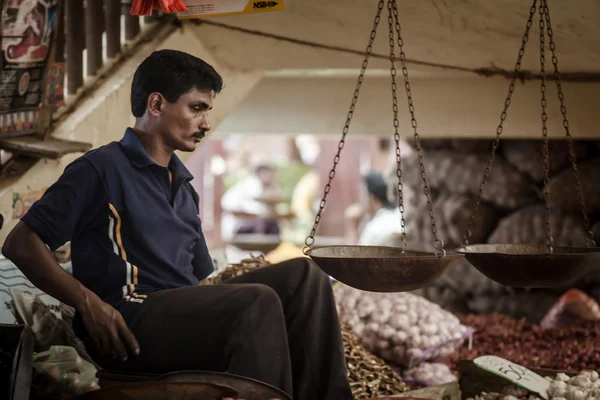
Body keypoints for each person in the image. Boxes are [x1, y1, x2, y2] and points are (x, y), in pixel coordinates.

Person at [2, 49, 352, 400]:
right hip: (127, 320)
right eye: (196, 108)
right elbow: (21, 242)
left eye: (207, 111)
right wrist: (89, 303)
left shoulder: (183, 186)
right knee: (255, 302)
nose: (206, 123)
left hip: (177, 315)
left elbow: (200, 280)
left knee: (307, 278)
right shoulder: (100, 169)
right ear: (156, 105)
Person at [221, 163, 282, 242]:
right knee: (264, 223)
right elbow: (255, 211)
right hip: (239, 225)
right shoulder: (252, 185)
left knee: (272, 225)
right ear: (260, 174)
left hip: (248, 222)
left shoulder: (264, 186)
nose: (269, 177)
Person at [345, 170, 403, 246]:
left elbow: (353, 256)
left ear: (372, 198)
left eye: (363, 194)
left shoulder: (374, 229)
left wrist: (352, 228)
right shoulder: (402, 218)